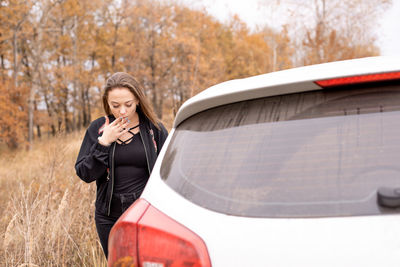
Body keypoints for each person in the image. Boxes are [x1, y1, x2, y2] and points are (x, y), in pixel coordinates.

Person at [75, 72, 168, 258]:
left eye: (129, 104)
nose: (123, 111)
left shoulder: (153, 129)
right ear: (107, 103)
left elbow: (169, 171)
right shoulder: (98, 129)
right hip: (109, 216)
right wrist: (104, 143)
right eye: (115, 106)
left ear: (138, 101)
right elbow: (85, 173)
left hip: (147, 213)